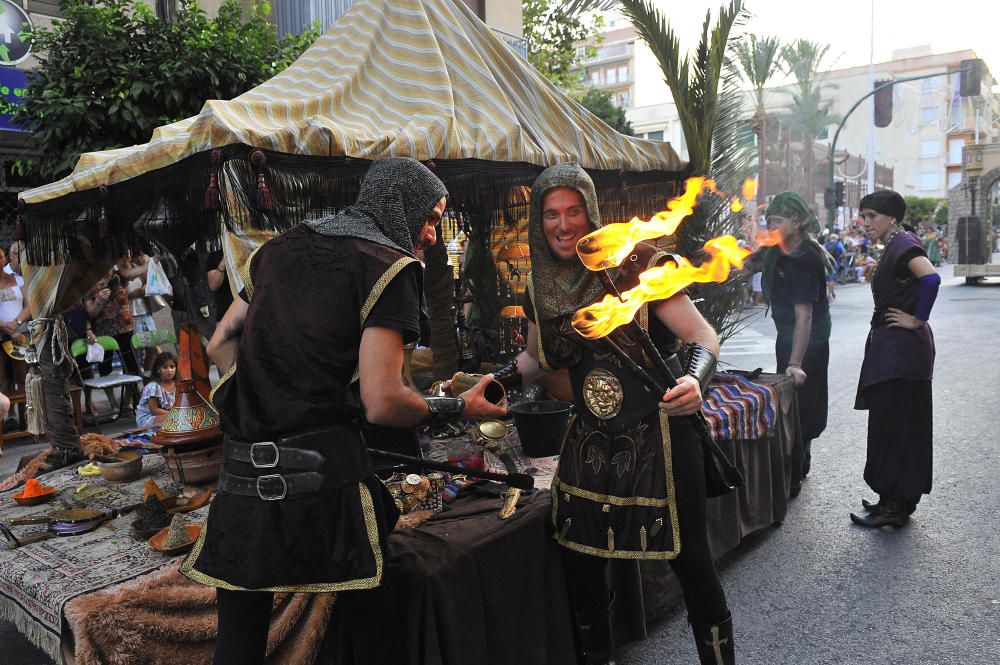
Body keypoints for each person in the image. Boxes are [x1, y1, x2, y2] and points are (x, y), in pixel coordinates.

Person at [179, 157, 505, 665]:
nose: (433, 236)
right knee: (375, 630)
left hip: (242, 477)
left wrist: (269, 396)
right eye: (432, 218)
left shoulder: (275, 251)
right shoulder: (389, 267)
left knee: (238, 642)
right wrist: (458, 405)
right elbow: (383, 401)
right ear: (401, 208)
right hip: (326, 486)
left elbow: (223, 340)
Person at [495, 163, 733, 665]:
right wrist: (496, 383)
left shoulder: (636, 260)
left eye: (574, 211)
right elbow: (538, 358)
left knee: (691, 561)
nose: (564, 224)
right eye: (552, 214)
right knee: (580, 559)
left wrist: (696, 379)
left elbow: (701, 335)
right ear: (540, 223)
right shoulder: (540, 284)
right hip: (590, 439)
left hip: (662, 434)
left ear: (590, 211)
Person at [851, 190, 939, 528]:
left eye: (872, 216)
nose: (866, 222)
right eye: (864, 216)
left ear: (891, 217)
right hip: (895, 352)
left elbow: (930, 277)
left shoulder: (903, 243)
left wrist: (918, 318)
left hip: (902, 354)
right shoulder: (896, 244)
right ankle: (891, 499)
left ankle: (894, 507)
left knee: (898, 427)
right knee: (891, 426)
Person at [760, 192, 832, 491]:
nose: (772, 226)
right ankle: (795, 464)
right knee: (787, 404)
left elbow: (805, 316)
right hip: (786, 336)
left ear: (797, 223)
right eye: (769, 221)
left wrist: (795, 363)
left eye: (778, 221)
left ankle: (796, 470)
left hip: (808, 344)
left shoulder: (805, 259)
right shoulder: (778, 250)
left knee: (803, 405)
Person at [135, 351, 177, 428]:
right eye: (165, 367)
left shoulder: (178, 384)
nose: (169, 370)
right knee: (173, 420)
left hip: (170, 414)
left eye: (172, 367)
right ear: (158, 369)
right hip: (149, 417)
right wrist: (175, 414)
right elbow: (154, 410)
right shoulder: (153, 387)